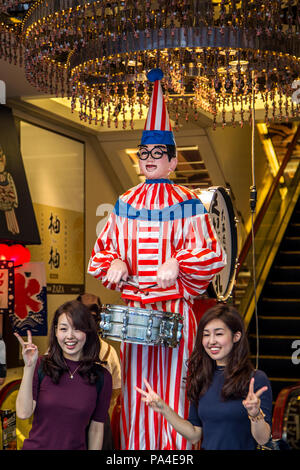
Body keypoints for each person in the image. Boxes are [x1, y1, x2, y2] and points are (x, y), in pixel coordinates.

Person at [88, 68, 226, 450]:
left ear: (173, 160)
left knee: (177, 385)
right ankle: (139, 451)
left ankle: (177, 451)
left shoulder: (189, 203)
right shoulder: (124, 203)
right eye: (144, 153)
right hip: (135, 314)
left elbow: (212, 252)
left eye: (158, 153)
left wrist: (178, 262)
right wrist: (115, 262)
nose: (150, 159)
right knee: (135, 388)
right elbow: (103, 251)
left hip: (175, 312)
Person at [136, 303, 273, 450]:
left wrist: (255, 413)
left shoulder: (256, 378)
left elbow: (263, 439)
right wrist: (164, 409)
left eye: (219, 334)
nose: (211, 341)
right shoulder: (202, 376)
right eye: (206, 334)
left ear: (236, 336)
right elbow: (195, 434)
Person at [14, 300, 112, 450]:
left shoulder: (102, 377)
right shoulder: (41, 365)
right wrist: (29, 367)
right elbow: (23, 413)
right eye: (63, 329)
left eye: (77, 329)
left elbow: (96, 428)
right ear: (56, 331)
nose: (70, 336)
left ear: (88, 332)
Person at [77, 292, 121, 449]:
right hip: (69, 424)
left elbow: (116, 390)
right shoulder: (60, 350)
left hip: (100, 421)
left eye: (94, 312)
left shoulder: (109, 352)